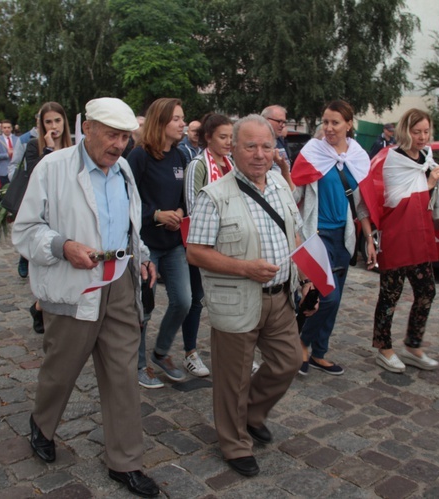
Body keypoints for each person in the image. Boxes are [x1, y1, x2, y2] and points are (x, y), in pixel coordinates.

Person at [12, 97, 160, 497]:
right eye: (111, 135)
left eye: (125, 137)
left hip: (120, 285)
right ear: (88, 128)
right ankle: (42, 425)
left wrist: (142, 257)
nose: (118, 145)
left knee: (122, 376)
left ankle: (124, 462)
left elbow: (127, 227)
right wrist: (63, 246)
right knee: (61, 371)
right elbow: (24, 231)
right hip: (75, 287)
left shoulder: (125, 169)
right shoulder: (53, 168)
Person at [187, 114, 312, 477]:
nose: (259, 154)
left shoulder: (279, 184)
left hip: (279, 298)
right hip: (237, 298)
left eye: (266, 146)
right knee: (233, 377)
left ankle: (252, 414)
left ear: (275, 149)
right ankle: (234, 443)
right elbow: (195, 252)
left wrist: (305, 276)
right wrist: (245, 268)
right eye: (250, 146)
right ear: (234, 148)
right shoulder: (214, 196)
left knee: (288, 361)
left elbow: (296, 235)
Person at [291, 100, 377, 375]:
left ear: (349, 125)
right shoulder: (313, 151)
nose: (328, 128)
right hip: (315, 235)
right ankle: (301, 344)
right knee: (326, 297)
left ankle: (319, 352)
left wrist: (369, 240)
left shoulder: (359, 156)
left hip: (344, 237)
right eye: (325, 122)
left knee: (335, 300)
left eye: (335, 122)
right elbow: (295, 193)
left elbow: (362, 203)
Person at [371, 108, 439, 373]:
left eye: (426, 131)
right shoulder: (393, 158)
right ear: (406, 131)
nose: (422, 137)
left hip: (418, 232)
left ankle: (414, 345)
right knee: (390, 295)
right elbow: (394, 199)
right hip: (396, 233)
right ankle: (385, 348)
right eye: (417, 132)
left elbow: (424, 191)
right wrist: (427, 184)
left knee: (427, 290)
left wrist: (433, 180)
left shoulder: (427, 157)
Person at [128, 98, 191, 388]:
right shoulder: (139, 156)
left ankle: (161, 352)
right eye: (176, 119)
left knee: (184, 301)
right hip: (146, 245)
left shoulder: (180, 157)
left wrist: (179, 211)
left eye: (183, 118)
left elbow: (185, 198)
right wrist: (155, 215)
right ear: (160, 122)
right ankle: (139, 364)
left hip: (174, 242)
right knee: (145, 307)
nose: (183, 124)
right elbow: (127, 201)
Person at [181, 113, 235, 378]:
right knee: (196, 300)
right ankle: (190, 352)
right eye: (223, 137)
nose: (228, 142)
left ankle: (233, 353)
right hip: (204, 244)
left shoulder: (231, 163)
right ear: (208, 138)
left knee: (228, 300)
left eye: (230, 137)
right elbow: (193, 207)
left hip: (229, 244)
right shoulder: (198, 165)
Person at [21, 101, 73, 332]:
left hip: (68, 210)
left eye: (57, 121)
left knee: (66, 267)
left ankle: (46, 306)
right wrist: (49, 149)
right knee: (49, 266)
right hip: (45, 213)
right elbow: (35, 175)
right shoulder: (34, 146)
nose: (54, 126)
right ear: (42, 125)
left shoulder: (74, 148)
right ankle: (41, 305)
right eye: (48, 122)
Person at [260, 105, 292, 177]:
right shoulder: (256, 142)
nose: (283, 125)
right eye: (279, 121)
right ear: (266, 120)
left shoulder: (280, 140)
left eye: (284, 122)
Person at [0, 119, 22, 186]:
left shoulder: (17, 139)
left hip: (16, 170)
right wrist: (7, 155)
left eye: (8, 127)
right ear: (1, 129)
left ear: (11, 128)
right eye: (5, 128)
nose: (7, 129)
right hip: (3, 171)